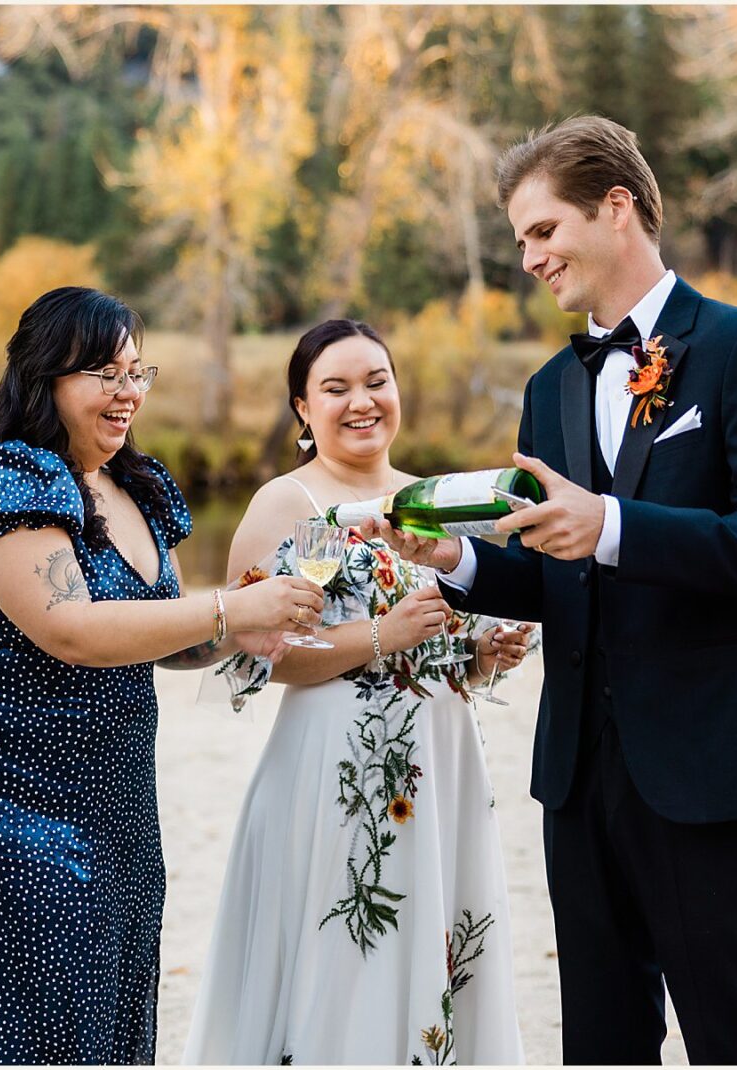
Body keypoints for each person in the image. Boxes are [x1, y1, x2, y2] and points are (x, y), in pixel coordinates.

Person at [371, 116, 737, 1064]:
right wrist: (451, 565)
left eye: (543, 231)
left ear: (618, 208)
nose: (530, 257)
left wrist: (614, 527)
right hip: (580, 780)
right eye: (521, 239)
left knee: (735, 1041)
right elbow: (553, 579)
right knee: (601, 1047)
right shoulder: (548, 387)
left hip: (713, 770)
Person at [0, 286, 325, 1064]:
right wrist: (227, 610)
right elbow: (70, 630)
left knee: (111, 1027)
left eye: (137, 373)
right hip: (14, 802)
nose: (127, 393)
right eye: (104, 374)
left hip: (121, 808)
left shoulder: (137, 486)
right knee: (31, 1036)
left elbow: (167, 639)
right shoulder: (12, 475)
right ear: (46, 377)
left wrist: (253, 631)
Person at [182, 319, 531, 1065]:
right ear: (303, 410)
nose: (362, 401)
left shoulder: (431, 499)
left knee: (433, 946)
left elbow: (437, 644)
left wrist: (479, 653)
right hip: (339, 774)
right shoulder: (298, 506)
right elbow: (261, 655)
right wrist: (385, 636)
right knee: (346, 964)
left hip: (441, 768)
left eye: (377, 381)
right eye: (335, 389)